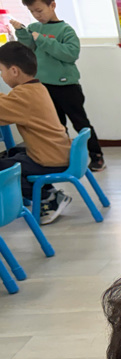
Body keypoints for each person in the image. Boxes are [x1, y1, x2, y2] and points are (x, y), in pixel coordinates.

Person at [14, 0, 104, 171]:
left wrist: (42, 40)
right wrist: (21, 32)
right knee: (57, 127)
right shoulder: (34, 28)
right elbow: (28, 49)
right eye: (32, 12)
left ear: (52, 5)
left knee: (80, 123)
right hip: (43, 86)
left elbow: (70, 54)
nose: (37, 15)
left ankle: (96, 156)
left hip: (67, 86)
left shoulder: (65, 30)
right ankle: (63, 160)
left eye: (39, 10)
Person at [0, 40, 71, 223]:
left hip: (49, 159)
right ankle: (50, 192)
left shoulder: (23, 95)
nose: (1, 76)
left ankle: (47, 199)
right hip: (58, 152)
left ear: (14, 71)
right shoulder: (36, 88)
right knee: (13, 154)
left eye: (1, 71)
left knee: (6, 168)